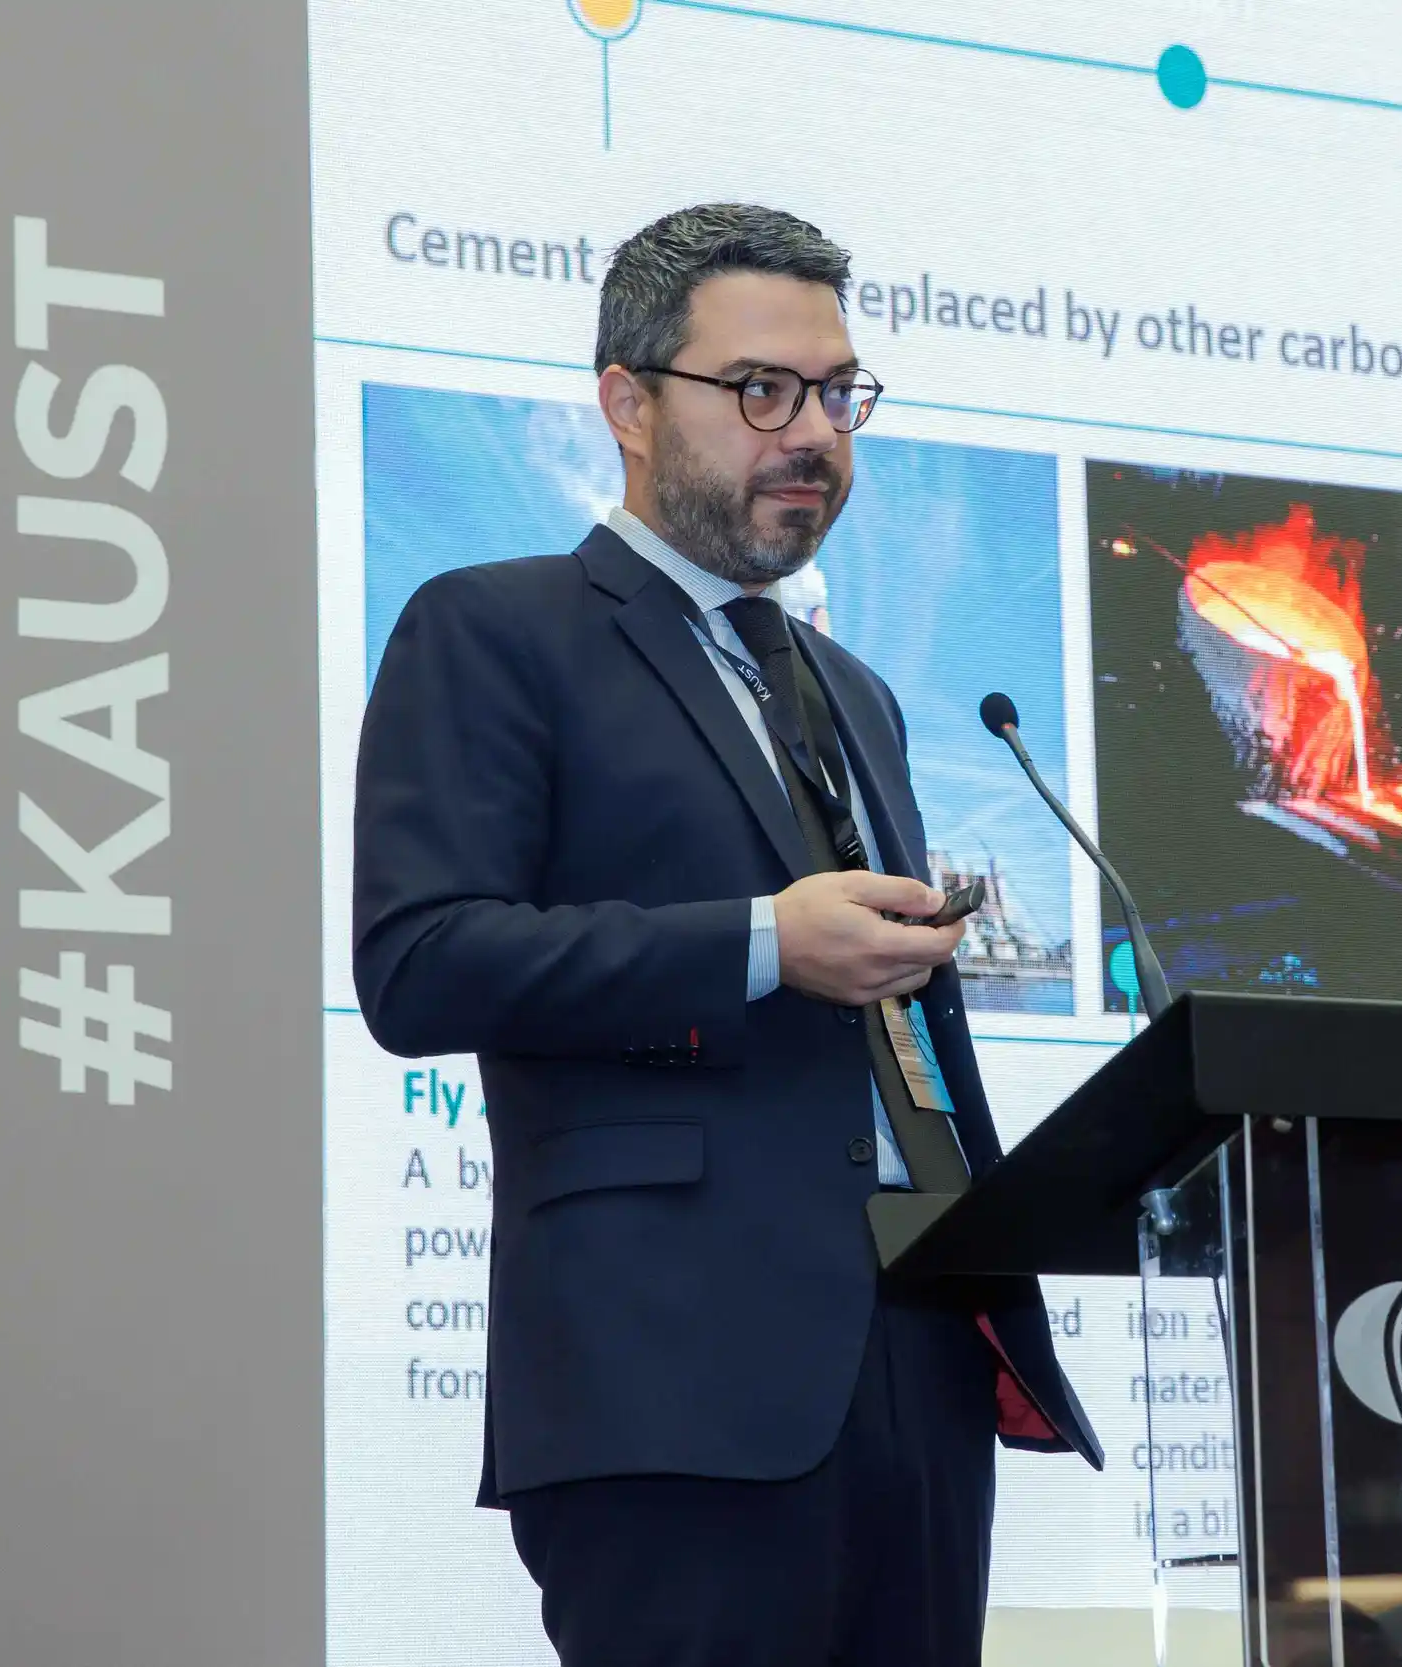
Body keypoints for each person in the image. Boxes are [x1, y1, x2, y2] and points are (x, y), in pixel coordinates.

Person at [352, 202, 1100, 1667]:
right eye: (762, 390)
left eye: (837, 392)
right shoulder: (496, 630)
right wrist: (765, 942)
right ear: (628, 404)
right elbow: (420, 961)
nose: (812, 433)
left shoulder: (854, 692)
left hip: (920, 1348)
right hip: (672, 1380)